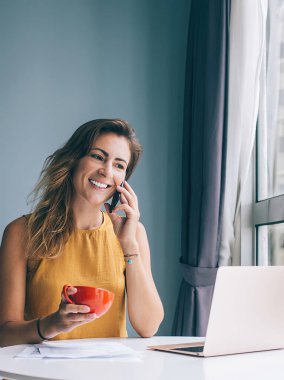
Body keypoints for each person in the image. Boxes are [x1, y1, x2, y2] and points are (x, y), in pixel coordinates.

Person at [0, 119, 164, 347]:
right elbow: (4, 335)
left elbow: (148, 327)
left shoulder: (133, 234)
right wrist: (52, 325)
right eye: (98, 156)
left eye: (119, 165)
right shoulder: (21, 232)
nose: (106, 171)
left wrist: (129, 246)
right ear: (74, 159)